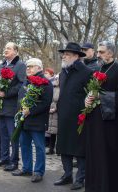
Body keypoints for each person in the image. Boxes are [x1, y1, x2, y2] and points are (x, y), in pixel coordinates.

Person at [54, 42, 92, 190]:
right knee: (64, 146)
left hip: (79, 116)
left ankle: (80, 178)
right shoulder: (64, 72)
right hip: (64, 115)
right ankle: (67, 174)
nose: (64, 56)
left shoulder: (86, 72)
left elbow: (91, 95)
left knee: (80, 150)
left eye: (67, 54)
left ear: (76, 56)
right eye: (64, 54)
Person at [11, 58, 53, 183]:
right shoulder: (26, 81)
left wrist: (31, 111)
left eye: (31, 66)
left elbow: (46, 103)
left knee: (39, 147)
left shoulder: (45, 82)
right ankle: (27, 168)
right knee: (24, 145)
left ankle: (39, 171)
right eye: (27, 67)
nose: (28, 69)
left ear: (39, 68)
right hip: (24, 120)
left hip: (37, 120)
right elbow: (20, 99)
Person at [84, 41, 118, 192]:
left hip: (110, 122)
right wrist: (87, 98)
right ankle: (94, 186)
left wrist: (100, 97)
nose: (98, 55)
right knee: (94, 153)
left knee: (106, 154)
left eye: (101, 52)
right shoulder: (98, 69)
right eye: (97, 52)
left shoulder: (116, 68)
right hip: (94, 119)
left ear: (111, 53)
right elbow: (91, 91)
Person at [0, 42, 26, 172]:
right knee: (3, 135)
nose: (5, 50)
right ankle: (4, 158)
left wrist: (6, 93)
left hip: (11, 106)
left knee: (13, 136)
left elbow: (22, 85)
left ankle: (14, 161)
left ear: (16, 51)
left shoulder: (20, 65)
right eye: (5, 48)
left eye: (9, 48)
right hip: (0, 107)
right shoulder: (1, 65)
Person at [46, 73, 59, 155]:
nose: (56, 80)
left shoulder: (62, 88)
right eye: (56, 79)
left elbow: (61, 99)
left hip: (57, 111)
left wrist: (56, 108)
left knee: (58, 131)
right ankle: (51, 148)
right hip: (51, 111)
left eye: (58, 79)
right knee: (51, 131)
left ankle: (58, 149)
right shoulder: (52, 87)